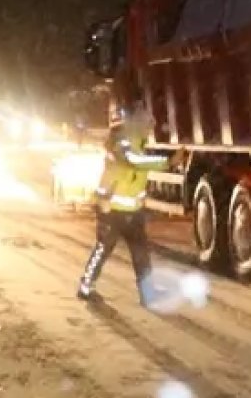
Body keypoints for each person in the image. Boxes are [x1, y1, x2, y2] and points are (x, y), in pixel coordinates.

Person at [77, 104, 183, 304]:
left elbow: (138, 168)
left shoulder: (138, 143)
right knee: (103, 250)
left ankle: (148, 293)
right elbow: (133, 161)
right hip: (111, 210)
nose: (150, 129)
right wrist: (168, 162)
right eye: (148, 124)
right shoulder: (123, 142)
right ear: (138, 124)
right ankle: (85, 286)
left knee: (141, 253)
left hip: (132, 212)